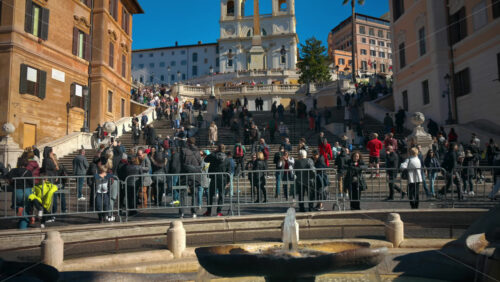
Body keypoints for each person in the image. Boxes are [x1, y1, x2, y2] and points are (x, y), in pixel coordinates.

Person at [203, 144, 231, 216]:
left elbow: (205, 160)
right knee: (221, 195)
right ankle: (219, 211)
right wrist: (228, 181)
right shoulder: (227, 159)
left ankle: (209, 211)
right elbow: (229, 170)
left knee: (210, 194)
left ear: (218, 149)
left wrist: (213, 152)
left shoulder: (213, 156)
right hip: (223, 178)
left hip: (213, 177)